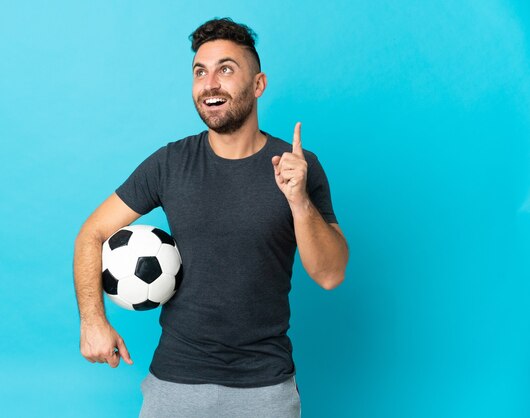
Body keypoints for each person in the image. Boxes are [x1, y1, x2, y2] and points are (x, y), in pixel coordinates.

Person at [73, 17, 349, 417]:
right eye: (200, 72)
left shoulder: (299, 167)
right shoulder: (169, 164)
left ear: (258, 85)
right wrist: (92, 322)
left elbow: (331, 274)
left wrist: (299, 201)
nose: (210, 83)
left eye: (226, 69)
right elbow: (91, 233)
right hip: (175, 385)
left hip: (266, 389)